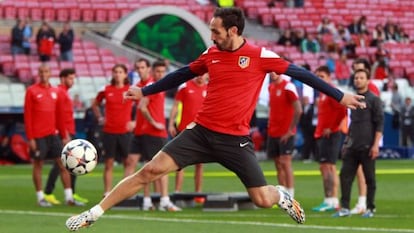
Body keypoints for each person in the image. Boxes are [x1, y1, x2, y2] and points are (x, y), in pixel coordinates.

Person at [66, 7, 365, 231]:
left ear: (233, 31)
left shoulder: (260, 55)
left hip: (235, 140)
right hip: (200, 132)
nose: (212, 36)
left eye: (216, 31)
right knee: (149, 171)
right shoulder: (211, 54)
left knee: (262, 199)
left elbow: (301, 73)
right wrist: (145, 90)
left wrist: (340, 96)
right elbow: (182, 73)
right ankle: (93, 214)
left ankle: (281, 195)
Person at [125, 59, 181, 211]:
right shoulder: (151, 86)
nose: (161, 74)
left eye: (163, 72)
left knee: (147, 166)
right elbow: (142, 107)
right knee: (156, 166)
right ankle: (159, 200)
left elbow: (140, 106)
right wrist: (154, 122)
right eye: (158, 71)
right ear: (152, 71)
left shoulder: (152, 86)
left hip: (148, 132)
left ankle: (151, 200)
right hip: (152, 132)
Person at [333, 68, 384, 218]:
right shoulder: (351, 99)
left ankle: (370, 208)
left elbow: (380, 123)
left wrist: (375, 145)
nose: (358, 80)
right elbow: (351, 123)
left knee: (370, 178)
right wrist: (346, 142)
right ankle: (345, 208)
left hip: (368, 145)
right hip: (352, 145)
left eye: (361, 78)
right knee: (345, 176)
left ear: (368, 80)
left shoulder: (374, 100)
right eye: (356, 78)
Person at [24, 64, 75, 207]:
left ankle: (69, 197)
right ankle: (40, 197)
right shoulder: (31, 91)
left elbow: (60, 116)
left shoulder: (56, 91)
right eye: (41, 72)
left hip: (53, 135)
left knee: (63, 164)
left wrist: (64, 135)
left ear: (50, 73)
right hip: (38, 135)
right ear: (38, 73)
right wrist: (31, 138)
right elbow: (28, 115)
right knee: (38, 165)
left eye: (46, 71)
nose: (43, 74)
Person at [43, 68, 87, 206]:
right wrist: (64, 134)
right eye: (70, 78)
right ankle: (49, 192)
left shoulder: (64, 93)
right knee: (63, 164)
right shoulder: (60, 93)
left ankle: (68, 193)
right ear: (62, 78)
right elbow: (59, 115)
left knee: (68, 164)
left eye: (73, 78)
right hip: (65, 133)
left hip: (69, 132)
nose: (72, 81)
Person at [92, 64, 133, 197]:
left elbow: (143, 104)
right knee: (109, 163)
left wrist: (135, 121)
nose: (117, 74)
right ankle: (107, 192)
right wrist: (100, 117)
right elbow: (95, 104)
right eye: (115, 72)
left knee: (128, 162)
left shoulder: (130, 90)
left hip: (125, 131)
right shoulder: (106, 89)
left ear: (125, 74)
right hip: (109, 131)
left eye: (120, 72)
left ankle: (123, 191)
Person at [312, 66, 347, 212]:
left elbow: (343, 110)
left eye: (322, 76)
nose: (319, 79)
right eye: (318, 76)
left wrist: (332, 127)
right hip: (322, 134)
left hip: (331, 134)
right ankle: (328, 199)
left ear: (329, 77)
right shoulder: (321, 94)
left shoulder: (332, 92)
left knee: (330, 167)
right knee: (324, 167)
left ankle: (333, 200)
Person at [168, 73, 208, 201]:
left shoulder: (210, 89)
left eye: (203, 74)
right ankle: (178, 191)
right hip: (184, 130)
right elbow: (175, 106)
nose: (200, 76)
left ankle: (198, 193)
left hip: (201, 130)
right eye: (199, 74)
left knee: (200, 164)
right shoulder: (184, 87)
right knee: (180, 163)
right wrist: (171, 123)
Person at [266, 72, 302, 197]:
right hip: (273, 131)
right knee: (278, 164)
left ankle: (291, 195)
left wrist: (291, 130)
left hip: (285, 132)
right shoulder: (270, 87)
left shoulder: (288, 86)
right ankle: (283, 195)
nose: (272, 74)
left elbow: (298, 109)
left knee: (286, 162)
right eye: (270, 71)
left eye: (275, 71)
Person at [299, 95, 317, 162]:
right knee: (307, 142)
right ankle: (306, 156)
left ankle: (315, 156)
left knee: (313, 143)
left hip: (312, 128)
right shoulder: (301, 107)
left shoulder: (312, 108)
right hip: (305, 128)